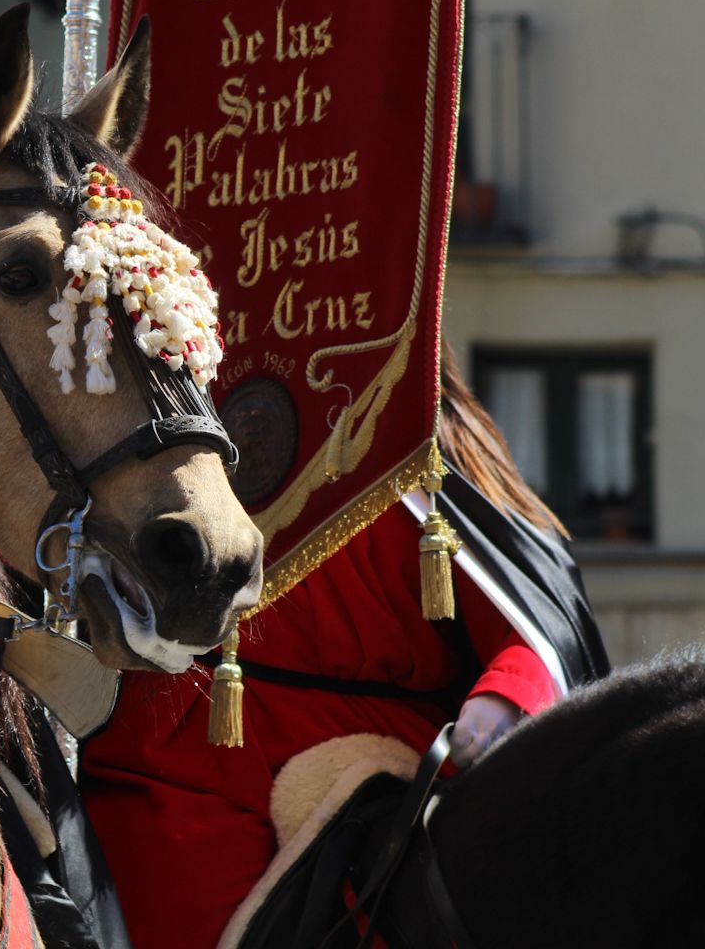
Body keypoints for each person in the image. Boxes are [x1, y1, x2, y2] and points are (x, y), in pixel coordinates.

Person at [77, 346, 610, 949]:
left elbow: (529, 628)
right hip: (174, 745)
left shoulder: (429, 452)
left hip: (391, 763)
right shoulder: (177, 408)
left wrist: (504, 703)